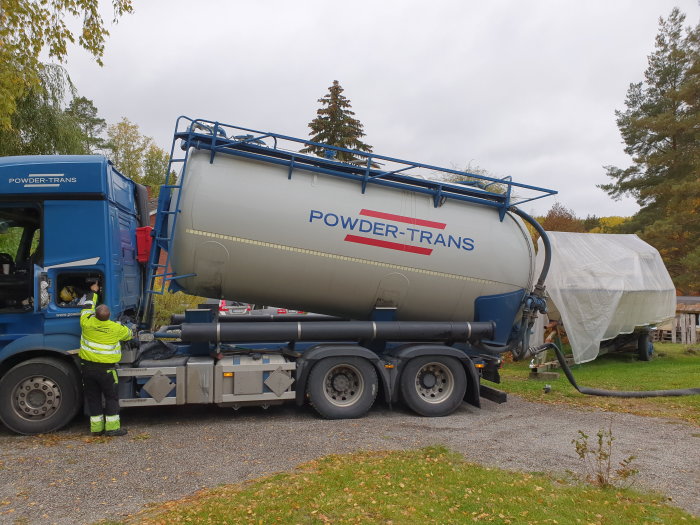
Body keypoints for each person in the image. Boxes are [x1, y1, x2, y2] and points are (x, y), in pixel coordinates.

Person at [79, 282, 133, 436]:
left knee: (93, 398)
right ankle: (112, 428)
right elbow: (129, 334)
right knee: (111, 398)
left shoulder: (87, 323)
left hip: (87, 369)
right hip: (107, 371)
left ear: (95, 315)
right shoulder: (116, 328)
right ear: (109, 316)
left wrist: (93, 292)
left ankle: (96, 430)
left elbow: (87, 307)